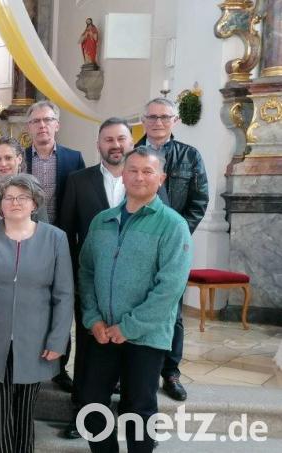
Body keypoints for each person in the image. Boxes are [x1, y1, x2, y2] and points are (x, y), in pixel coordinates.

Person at [78, 146, 192, 453]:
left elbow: (170, 286)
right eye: (133, 170)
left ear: (161, 178)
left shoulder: (172, 225)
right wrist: (93, 318)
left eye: (148, 171)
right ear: (123, 174)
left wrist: (129, 327)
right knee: (92, 405)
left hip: (146, 335)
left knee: (138, 409)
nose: (139, 177)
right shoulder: (102, 220)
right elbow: (86, 271)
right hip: (103, 332)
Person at [0, 174, 73, 453]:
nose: (15, 202)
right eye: (8, 197)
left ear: (34, 203)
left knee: (24, 412)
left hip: (36, 339)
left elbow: (64, 293)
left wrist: (57, 340)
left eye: (22, 197)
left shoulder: (55, 238)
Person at [56, 117, 137, 439]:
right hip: (91, 281)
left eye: (121, 139)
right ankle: (85, 414)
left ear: (132, 142)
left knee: (133, 350)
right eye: (108, 140)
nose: (115, 145)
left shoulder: (144, 178)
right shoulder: (79, 180)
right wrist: (73, 280)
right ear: (99, 144)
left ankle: (134, 420)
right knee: (90, 348)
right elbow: (66, 232)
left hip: (135, 285)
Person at [136, 97, 209, 402]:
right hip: (135, 242)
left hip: (173, 246)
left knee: (173, 311)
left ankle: (171, 372)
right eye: (152, 117)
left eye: (164, 117)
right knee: (134, 303)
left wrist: (176, 234)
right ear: (144, 119)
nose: (157, 122)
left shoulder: (190, 157)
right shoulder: (130, 153)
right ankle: (134, 369)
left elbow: (199, 201)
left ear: (175, 121)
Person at [23, 99, 84, 392]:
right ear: (29, 127)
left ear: (57, 125)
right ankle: (28, 359)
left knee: (62, 301)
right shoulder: (20, 158)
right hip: (27, 241)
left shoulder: (74, 158)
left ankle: (60, 368)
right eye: (36, 121)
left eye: (47, 120)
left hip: (63, 241)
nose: (42, 126)